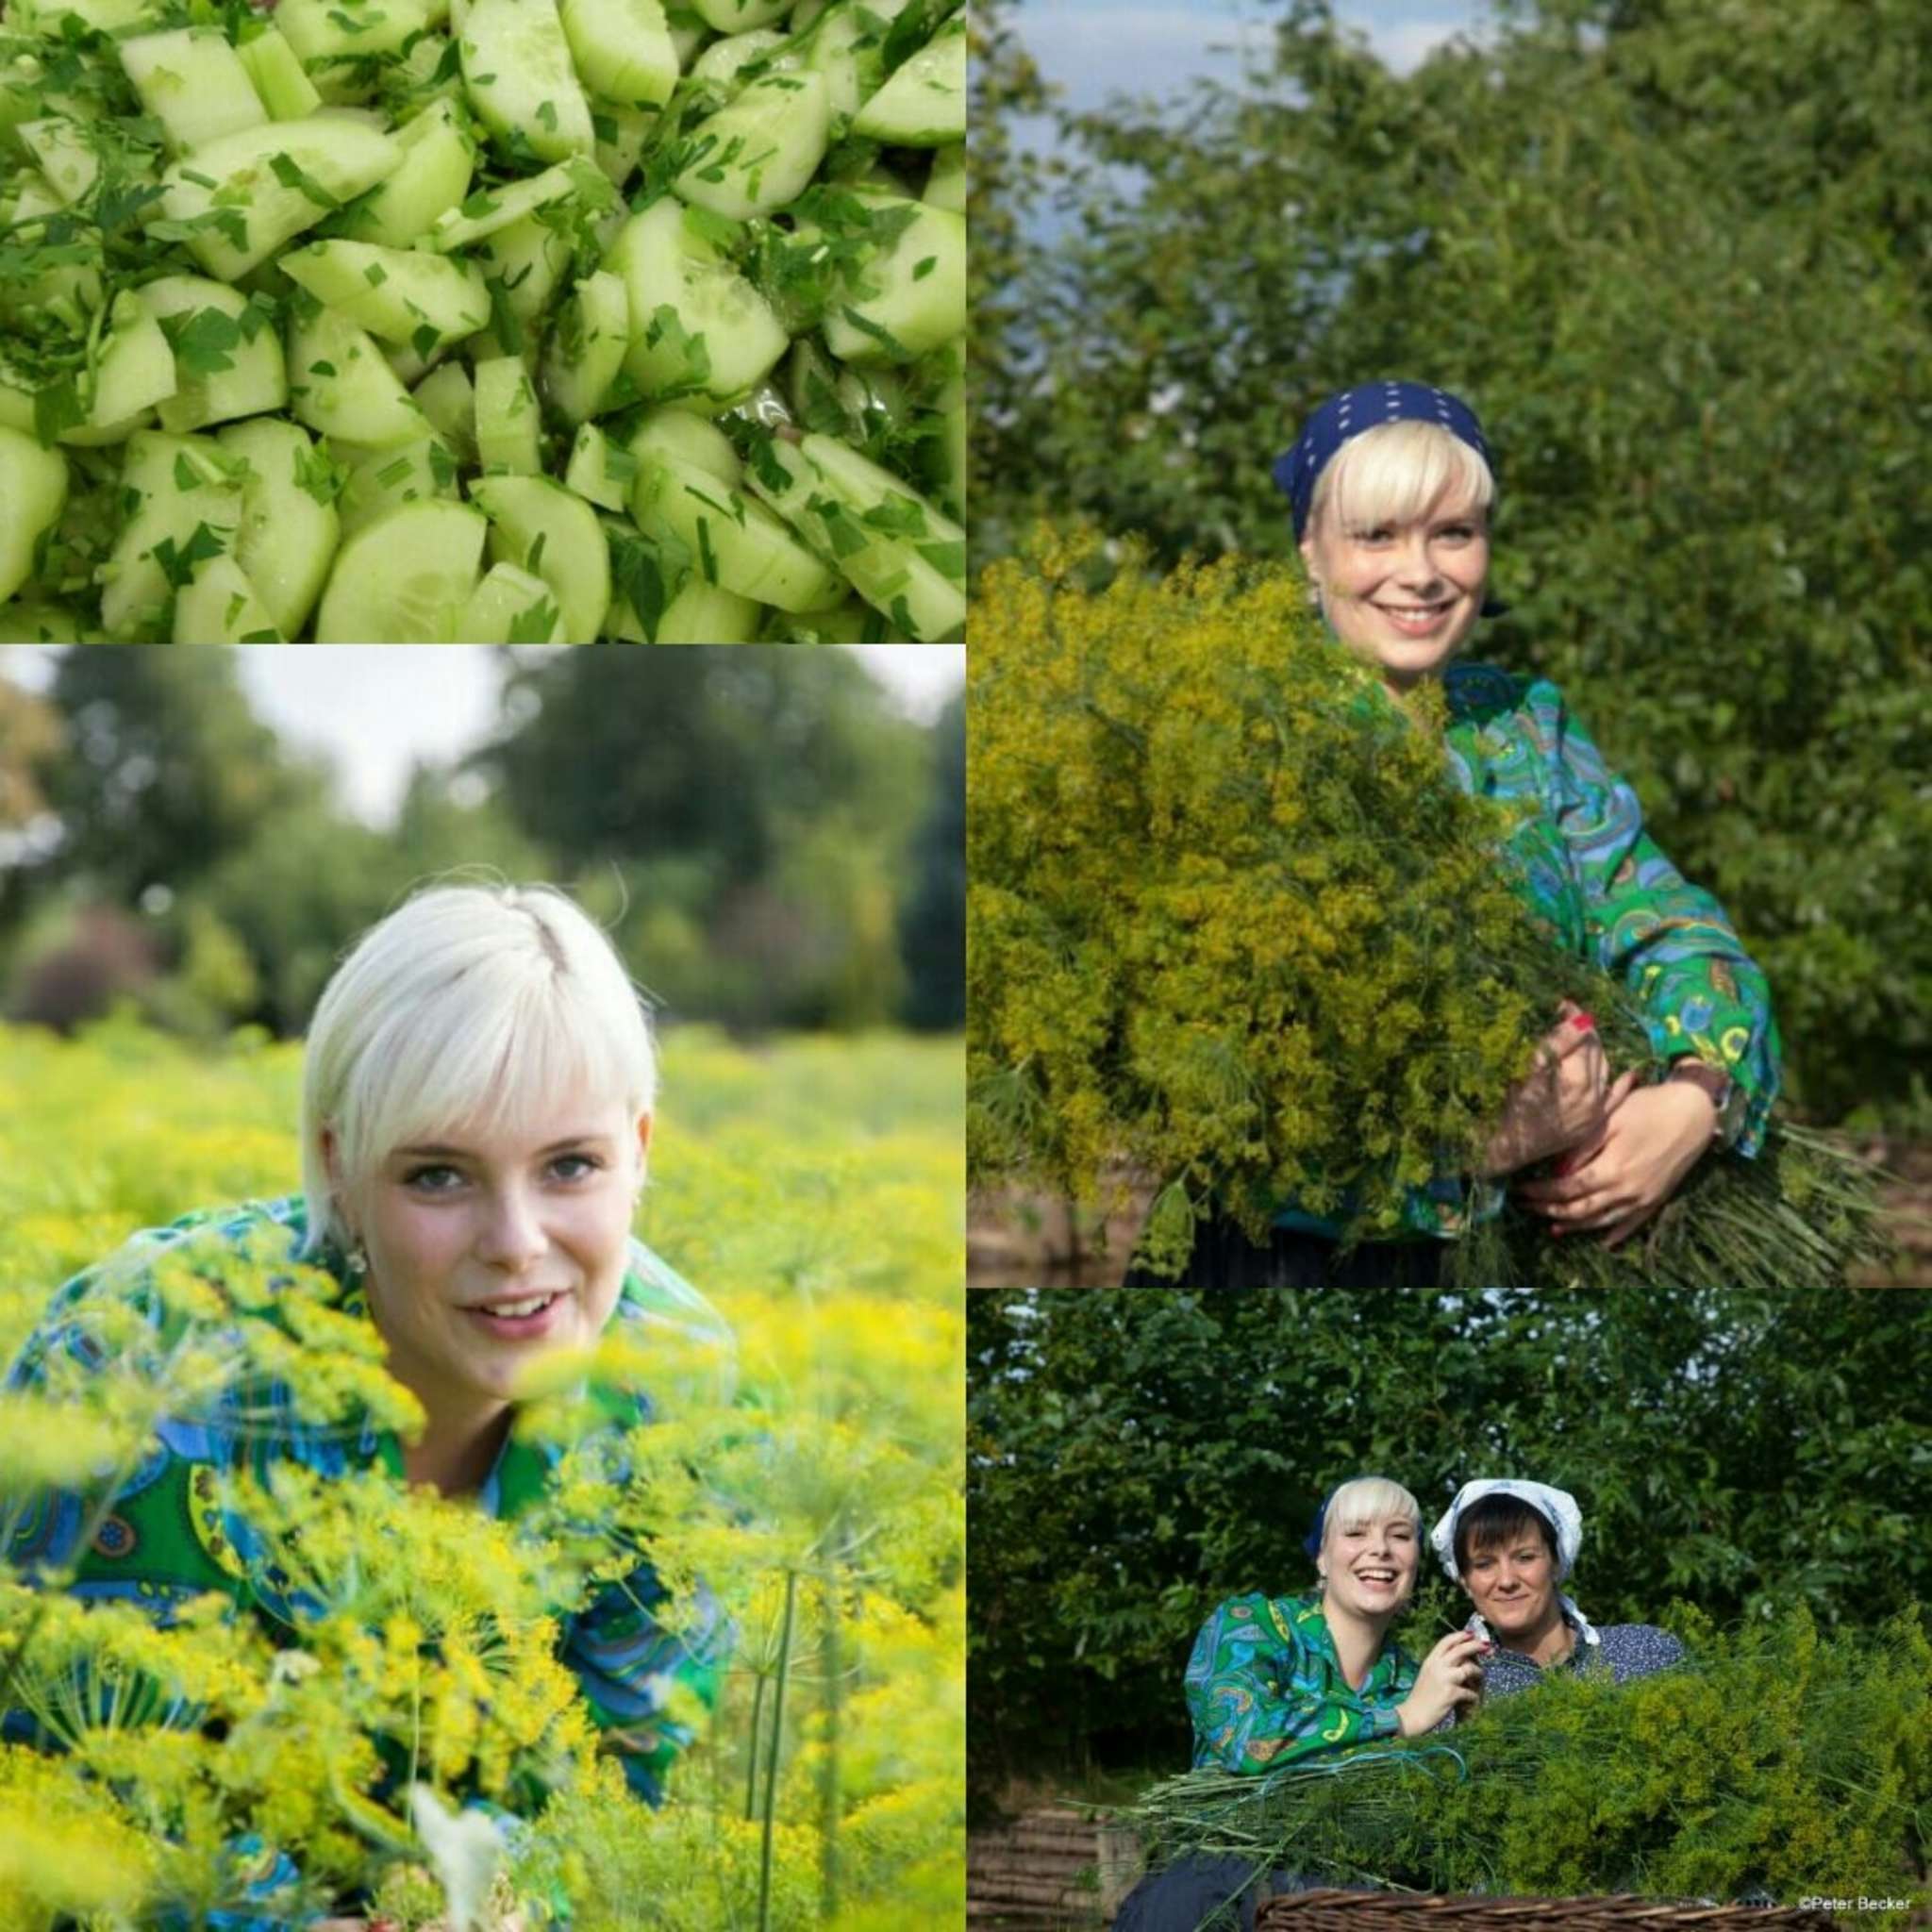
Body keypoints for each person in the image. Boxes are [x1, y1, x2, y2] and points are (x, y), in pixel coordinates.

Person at [2, 881, 733, 1927]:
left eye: (570, 1163)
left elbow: (617, 1782)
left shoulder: (682, 1396)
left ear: (641, 1151)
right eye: (438, 1175)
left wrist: (507, 1903)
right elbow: (73, 1803)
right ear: (341, 1169)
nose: (517, 1241)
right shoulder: (148, 1364)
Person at [1131, 380, 1783, 1289]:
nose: (1423, 572)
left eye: (1454, 533)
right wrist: (1471, 1145)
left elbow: (1675, 927)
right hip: (1293, 1269)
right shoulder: (1238, 740)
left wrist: (1693, 1099)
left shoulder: (1525, 725)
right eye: (1378, 535)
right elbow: (1193, 1076)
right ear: (1310, 551)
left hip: (1533, 1264)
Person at [1113, 1476, 1483, 1932]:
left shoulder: (1416, 1680)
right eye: (1355, 1532)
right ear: (1321, 1557)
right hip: (1214, 1889)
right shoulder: (1254, 1626)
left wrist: (1471, 1728)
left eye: (1400, 1535)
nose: (1380, 1549)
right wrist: (1399, 1720)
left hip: (1346, 1900)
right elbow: (1247, 1740)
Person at [1430, 1477, 1684, 1697]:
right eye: (1485, 1564)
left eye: (1525, 1557)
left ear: (1555, 1562)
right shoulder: (1455, 1689)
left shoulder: (1646, 1653)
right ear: (1464, 1580)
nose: (1507, 1581)